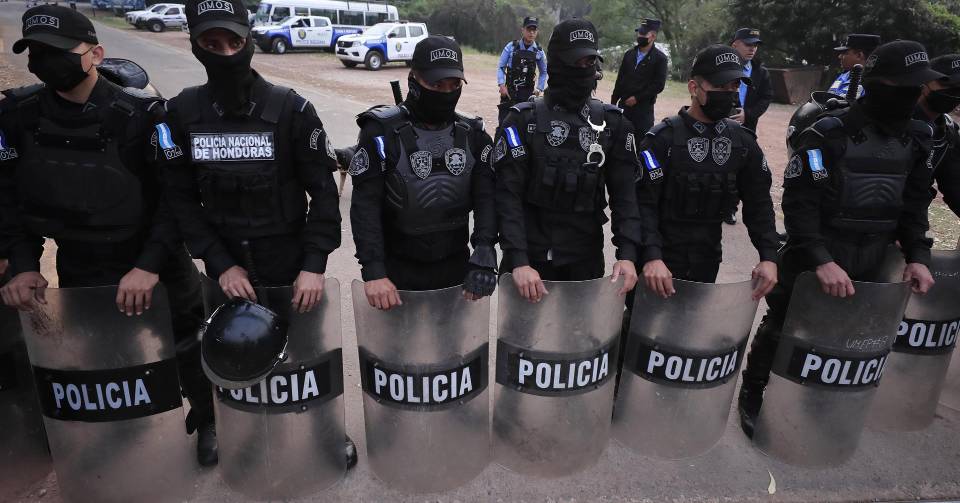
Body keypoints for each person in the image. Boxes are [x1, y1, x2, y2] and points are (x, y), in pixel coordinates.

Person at [0, 5, 215, 465]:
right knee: (104, 351)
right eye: (35, 52)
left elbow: (176, 199)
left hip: (154, 257)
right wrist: (22, 264)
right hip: (82, 259)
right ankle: (123, 430)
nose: (45, 60)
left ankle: (209, 419)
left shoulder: (142, 115)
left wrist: (148, 266)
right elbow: (10, 200)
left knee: (187, 345)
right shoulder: (17, 115)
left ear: (95, 54)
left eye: (58, 51)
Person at [158, 0, 352, 465]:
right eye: (211, 43)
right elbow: (180, 201)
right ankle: (228, 428)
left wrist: (313, 265)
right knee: (228, 351)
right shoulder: (181, 112)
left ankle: (324, 429)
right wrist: (219, 264)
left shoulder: (292, 109)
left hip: (289, 260)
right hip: (225, 266)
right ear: (195, 46)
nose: (225, 53)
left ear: (249, 40)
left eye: (234, 41)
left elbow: (324, 196)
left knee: (308, 354)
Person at [738, 40, 941, 437]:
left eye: (918, 87)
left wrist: (918, 255)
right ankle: (754, 390)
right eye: (905, 86)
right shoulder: (828, 133)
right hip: (817, 251)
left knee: (847, 330)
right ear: (880, 83)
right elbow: (800, 204)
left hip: (873, 253)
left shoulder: (918, 137)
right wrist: (821, 259)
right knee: (784, 323)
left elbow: (916, 203)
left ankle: (816, 398)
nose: (914, 95)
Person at [496, 18, 641, 302]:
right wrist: (518, 259)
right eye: (577, 62)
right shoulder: (523, 121)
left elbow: (625, 196)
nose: (585, 69)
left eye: (591, 62)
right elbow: (507, 196)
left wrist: (627, 254)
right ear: (557, 63)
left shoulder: (612, 124)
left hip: (583, 261)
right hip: (528, 264)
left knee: (580, 331)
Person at [350, 35, 498, 310]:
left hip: (455, 269)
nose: (446, 92)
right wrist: (373, 270)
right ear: (414, 80)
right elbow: (365, 205)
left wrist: (484, 250)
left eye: (454, 85)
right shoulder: (381, 133)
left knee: (456, 339)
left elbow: (486, 198)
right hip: (396, 272)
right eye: (436, 84)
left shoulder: (473, 136)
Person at [636, 44, 779, 300]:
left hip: (706, 260)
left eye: (734, 86)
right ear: (694, 88)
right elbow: (643, 204)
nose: (729, 94)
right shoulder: (662, 140)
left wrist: (769, 256)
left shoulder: (742, 143)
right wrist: (652, 256)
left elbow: (759, 202)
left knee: (694, 321)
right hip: (658, 263)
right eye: (720, 87)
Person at [723, 28, 773, 226]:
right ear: (735, 44)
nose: (752, 49)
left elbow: (766, 98)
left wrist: (748, 114)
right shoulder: (722, 66)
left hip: (746, 127)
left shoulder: (760, 72)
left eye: (755, 45)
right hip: (720, 123)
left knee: (739, 167)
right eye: (748, 44)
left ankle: (730, 207)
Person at [915, 54, 960, 216]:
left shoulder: (947, 132)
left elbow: (954, 185)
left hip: (913, 222)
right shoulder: (893, 121)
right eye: (947, 84)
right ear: (924, 83)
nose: (954, 92)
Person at [611, 18, 667, 135]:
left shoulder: (660, 59)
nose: (639, 36)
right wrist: (613, 102)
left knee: (641, 143)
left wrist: (637, 98)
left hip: (643, 112)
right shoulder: (629, 54)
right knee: (618, 139)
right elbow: (620, 80)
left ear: (653, 36)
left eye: (643, 33)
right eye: (639, 32)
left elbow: (658, 85)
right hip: (624, 108)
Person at [497, 16, 547, 124]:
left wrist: (539, 88)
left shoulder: (539, 51)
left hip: (528, 95)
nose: (531, 33)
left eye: (534, 30)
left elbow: (544, 72)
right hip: (509, 93)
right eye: (529, 29)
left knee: (524, 126)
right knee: (504, 125)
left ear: (537, 32)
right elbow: (501, 67)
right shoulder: (511, 47)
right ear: (523, 30)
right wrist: (501, 86)